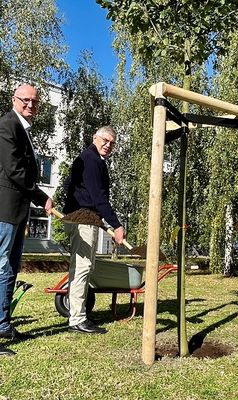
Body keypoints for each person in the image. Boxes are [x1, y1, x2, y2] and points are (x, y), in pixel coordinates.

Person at [0, 84, 53, 356]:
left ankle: (3, 324)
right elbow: (14, 170)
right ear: (14, 100)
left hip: (17, 212)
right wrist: (41, 196)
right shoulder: (7, 125)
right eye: (26, 100)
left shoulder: (22, 129)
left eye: (35, 101)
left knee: (9, 268)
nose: (31, 105)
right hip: (5, 212)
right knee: (1, 269)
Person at [64, 126, 125, 334]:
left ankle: (78, 314)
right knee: (82, 267)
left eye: (112, 143)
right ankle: (77, 319)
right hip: (82, 218)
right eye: (104, 140)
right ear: (94, 138)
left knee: (85, 267)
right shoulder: (90, 159)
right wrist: (115, 225)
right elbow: (98, 196)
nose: (108, 145)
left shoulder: (94, 159)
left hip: (86, 217)